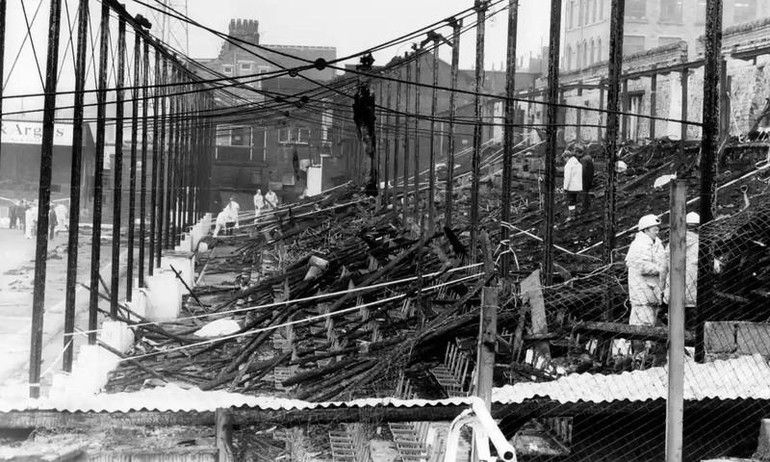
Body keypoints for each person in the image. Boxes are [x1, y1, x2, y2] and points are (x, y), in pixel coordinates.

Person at [626, 214, 667, 327]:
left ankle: (648, 345)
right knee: (642, 323)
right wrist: (661, 269)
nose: (657, 231)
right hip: (642, 294)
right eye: (655, 229)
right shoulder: (638, 245)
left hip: (654, 291)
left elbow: (663, 260)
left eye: (658, 229)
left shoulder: (657, 244)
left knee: (651, 322)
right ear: (646, 230)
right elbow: (642, 266)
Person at [661, 212, 700, 328]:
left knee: (674, 328)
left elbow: (664, 269)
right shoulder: (702, 245)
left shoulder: (672, 244)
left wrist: (662, 289)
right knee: (692, 329)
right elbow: (714, 267)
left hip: (673, 293)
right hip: (692, 295)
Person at [562, 145, 583, 221]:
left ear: (567, 157)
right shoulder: (578, 164)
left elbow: (567, 178)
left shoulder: (568, 165)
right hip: (578, 186)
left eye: (564, 158)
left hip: (571, 187)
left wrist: (565, 188)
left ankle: (571, 216)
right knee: (575, 200)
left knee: (570, 201)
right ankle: (575, 214)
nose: (565, 160)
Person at [579, 146, 595, 213]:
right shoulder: (589, 158)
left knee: (584, 194)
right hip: (589, 179)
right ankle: (588, 206)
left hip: (584, 180)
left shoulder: (584, 160)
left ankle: (584, 208)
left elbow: (583, 171)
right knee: (587, 193)